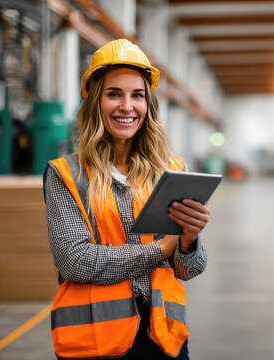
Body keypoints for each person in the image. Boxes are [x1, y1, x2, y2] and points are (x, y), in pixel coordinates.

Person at [43, 38, 209, 360]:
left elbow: (190, 269)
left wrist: (190, 240)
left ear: (148, 105)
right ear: (94, 102)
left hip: (164, 338)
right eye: (113, 94)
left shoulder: (172, 171)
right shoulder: (67, 174)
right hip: (96, 342)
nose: (127, 106)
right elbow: (76, 261)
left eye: (137, 95)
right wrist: (160, 249)